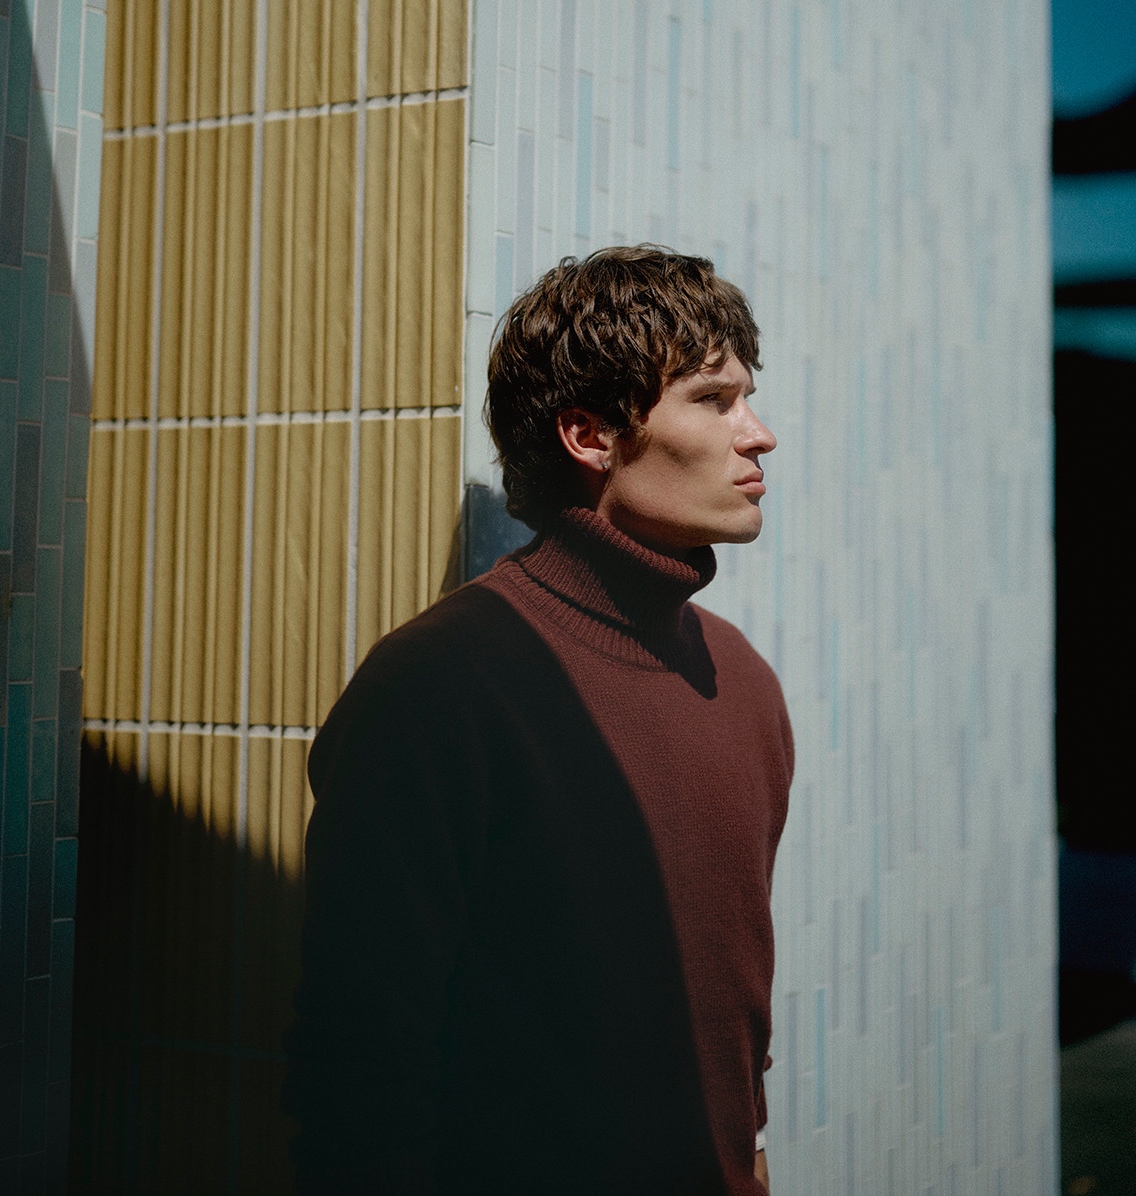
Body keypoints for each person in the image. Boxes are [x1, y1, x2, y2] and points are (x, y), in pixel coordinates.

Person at [283, 245, 794, 1194]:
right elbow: (361, 1058)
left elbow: (728, 996)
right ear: (589, 435)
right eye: (713, 400)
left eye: (747, 399)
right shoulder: (439, 687)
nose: (757, 435)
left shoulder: (743, 682)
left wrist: (751, 1157)